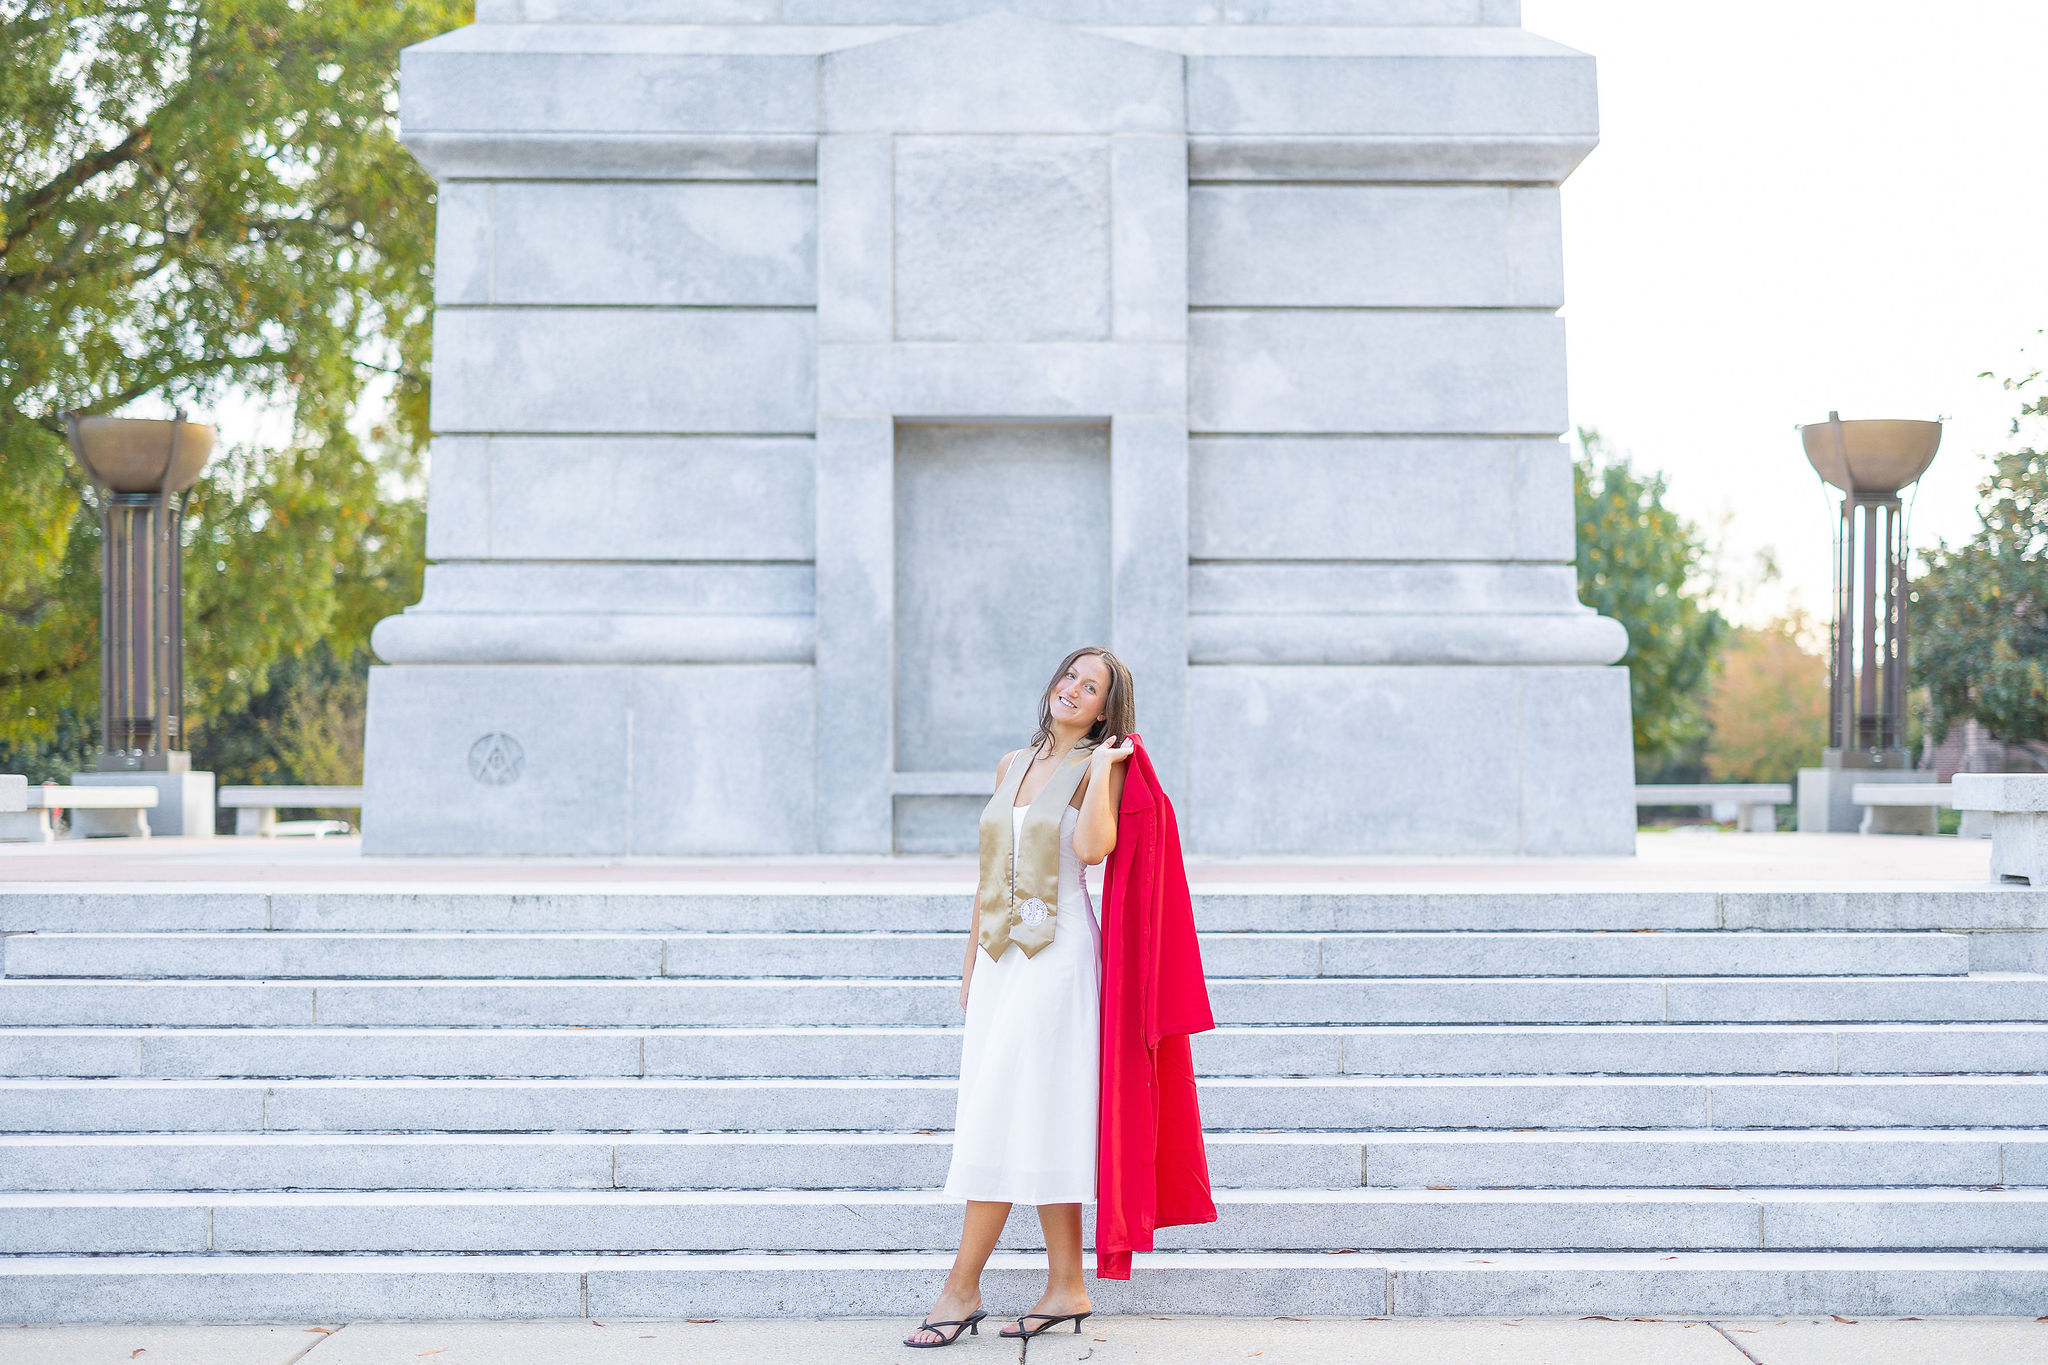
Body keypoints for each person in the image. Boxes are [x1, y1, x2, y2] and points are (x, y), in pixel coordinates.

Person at [904, 646, 1136, 1349]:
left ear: (1105, 706)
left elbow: (1095, 849)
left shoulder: (1101, 767)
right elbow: (988, 870)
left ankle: (960, 1287)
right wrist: (970, 960)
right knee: (1034, 1109)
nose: (1073, 688)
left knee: (1004, 1108)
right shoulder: (1012, 763)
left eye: (1090, 685)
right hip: (1004, 960)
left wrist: (1099, 771)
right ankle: (1067, 1283)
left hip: (1059, 956)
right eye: (1070, 675)